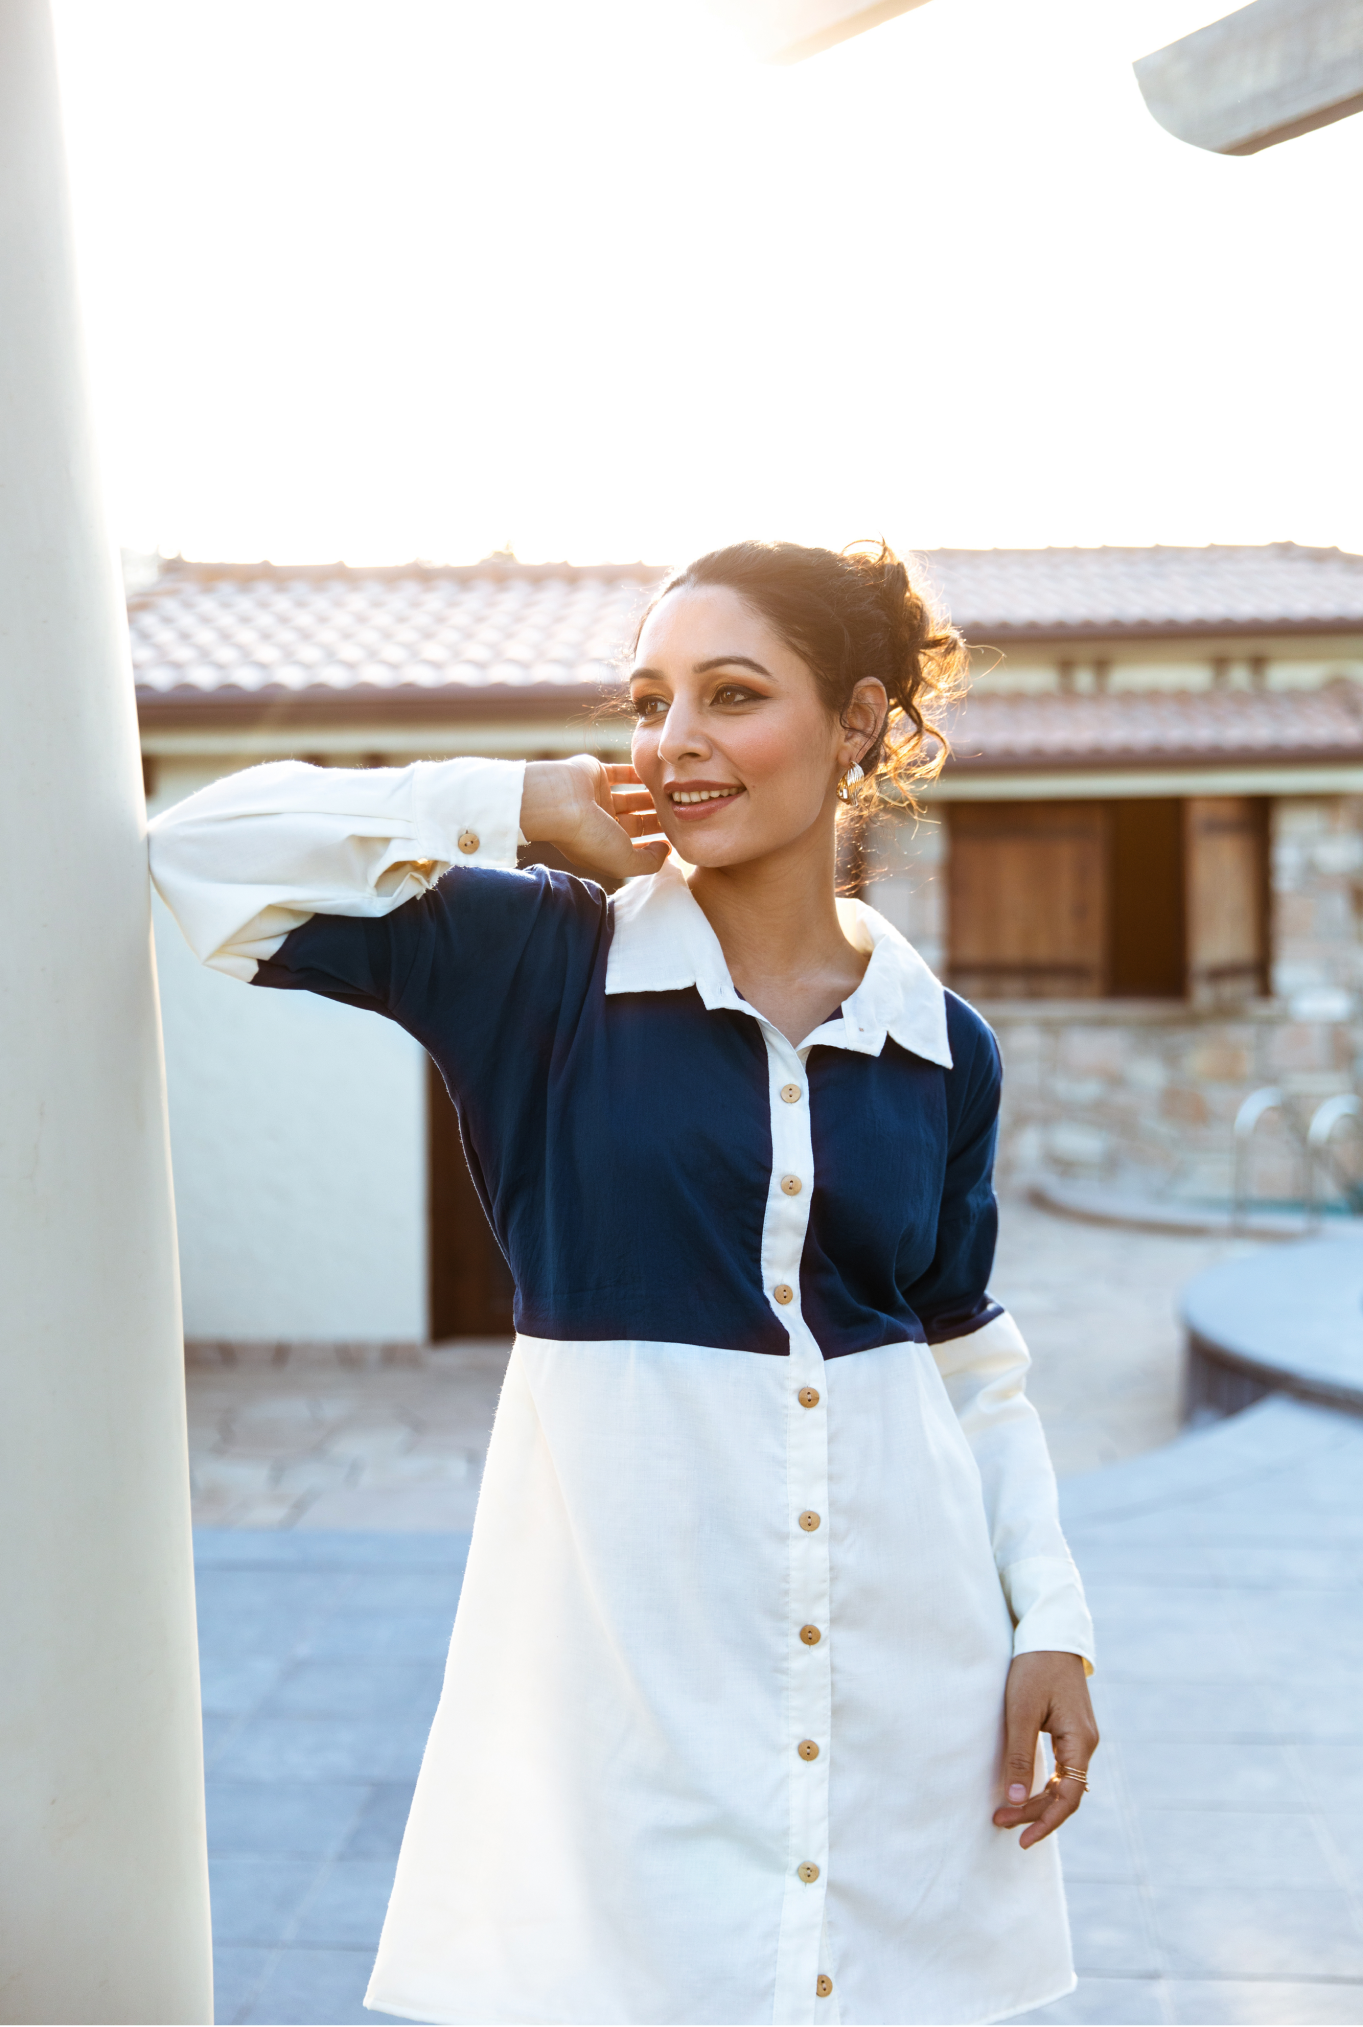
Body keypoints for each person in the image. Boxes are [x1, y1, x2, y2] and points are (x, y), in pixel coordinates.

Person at [150, 538, 1098, 2027]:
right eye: (650, 699)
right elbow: (192, 851)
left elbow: (966, 1352)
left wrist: (1049, 1614)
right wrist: (515, 801)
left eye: (733, 693)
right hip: (628, 1686)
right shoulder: (535, 958)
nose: (675, 740)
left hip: (904, 1667)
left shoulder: (942, 1042)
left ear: (855, 721)